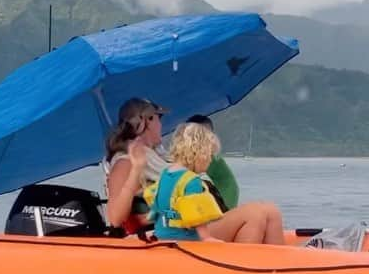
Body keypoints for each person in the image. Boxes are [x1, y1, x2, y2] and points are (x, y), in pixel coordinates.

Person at [150, 121, 285, 244]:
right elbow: (196, 217)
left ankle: (274, 263)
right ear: (199, 152)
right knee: (256, 214)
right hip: (187, 238)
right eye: (209, 155)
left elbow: (158, 209)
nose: (210, 161)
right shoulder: (191, 181)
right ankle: (245, 264)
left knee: (270, 210)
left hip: (167, 234)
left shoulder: (166, 175)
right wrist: (207, 238)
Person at [104, 97, 168, 231]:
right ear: (147, 120)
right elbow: (115, 218)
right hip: (165, 236)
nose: (161, 125)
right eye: (158, 118)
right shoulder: (125, 162)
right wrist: (137, 168)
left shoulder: (158, 156)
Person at [186, 114, 240, 209]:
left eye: (208, 134)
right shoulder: (187, 155)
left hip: (226, 193)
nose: (205, 138)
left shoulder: (209, 154)